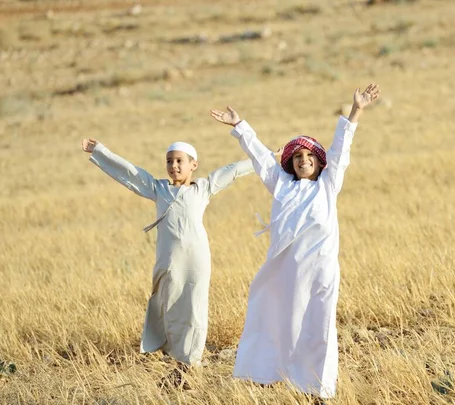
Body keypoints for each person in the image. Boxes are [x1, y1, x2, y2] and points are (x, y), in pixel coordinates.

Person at [210, 83, 380, 400]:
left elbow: (341, 150)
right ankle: (270, 377)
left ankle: (319, 389)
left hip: (320, 273)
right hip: (285, 273)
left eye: (309, 156)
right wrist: (240, 126)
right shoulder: (282, 185)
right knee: (278, 323)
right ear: (291, 163)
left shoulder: (328, 185)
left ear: (319, 161)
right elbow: (261, 158)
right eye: (298, 156)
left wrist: (356, 111)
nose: (303, 160)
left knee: (319, 328)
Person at [81, 138, 254, 367]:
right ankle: (171, 352)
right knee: (167, 302)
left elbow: (232, 171)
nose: (174, 166)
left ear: (193, 164)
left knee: (195, 305)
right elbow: (130, 173)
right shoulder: (158, 188)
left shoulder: (204, 188)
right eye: (170, 161)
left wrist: (266, 158)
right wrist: (100, 151)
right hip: (169, 258)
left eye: (179, 161)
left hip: (197, 258)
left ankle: (191, 359)